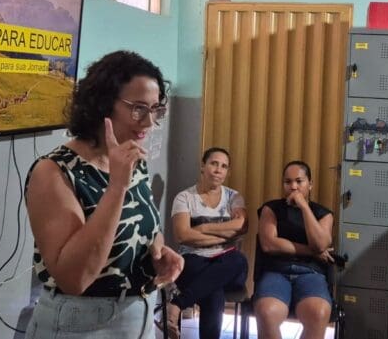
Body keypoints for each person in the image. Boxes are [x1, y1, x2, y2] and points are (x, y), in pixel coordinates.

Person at [23, 50, 184, 339]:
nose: (149, 122)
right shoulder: (54, 172)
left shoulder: (132, 162)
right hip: (81, 325)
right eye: (138, 109)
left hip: (138, 317)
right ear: (102, 106)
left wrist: (157, 251)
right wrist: (116, 187)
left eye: (156, 109)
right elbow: (75, 278)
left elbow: (136, 225)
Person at [165, 147, 249, 339]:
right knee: (214, 294)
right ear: (203, 166)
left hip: (227, 262)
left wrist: (202, 229)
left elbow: (241, 225)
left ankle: (177, 303)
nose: (219, 170)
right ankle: (179, 303)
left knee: (238, 260)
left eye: (224, 166)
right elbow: (183, 236)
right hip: (194, 261)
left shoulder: (233, 197)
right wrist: (226, 235)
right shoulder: (184, 198)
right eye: (214, 163)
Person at [254, 161, 335, 339]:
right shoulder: (271, 208)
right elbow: (269, 244)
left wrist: (304, 206)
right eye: (288, 182)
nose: (293, 187)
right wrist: (311, 252)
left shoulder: (323, 213)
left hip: (311, 273)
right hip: (276, 271)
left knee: (319, 312)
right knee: (267, 312)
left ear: (310, 184)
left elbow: (320, 244)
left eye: (299, 181)